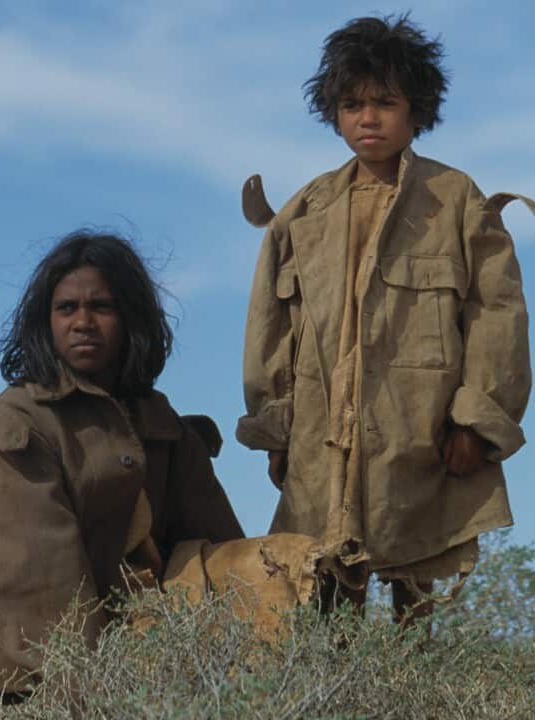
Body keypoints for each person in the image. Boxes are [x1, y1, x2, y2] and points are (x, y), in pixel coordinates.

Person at [238, 14, 532, 626]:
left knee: (417, 589)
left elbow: (496, 314)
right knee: (323, 593)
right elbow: (273, 328)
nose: (366, 117)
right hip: (322, 439)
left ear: (417, 110)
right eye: (351, 104)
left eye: (384, 102)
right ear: (333, 113)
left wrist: (475, 420)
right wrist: (277, 430)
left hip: (421, 434)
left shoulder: (455, 200)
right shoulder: (306, 210)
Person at [0, 230, 246, 715]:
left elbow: (222, 558)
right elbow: (35, 584)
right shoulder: (18, 425)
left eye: (101, 307)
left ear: (131, 318)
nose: (83, 322)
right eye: (66, 309)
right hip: (21, 686)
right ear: (46, 322)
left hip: (144, 675)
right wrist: (111, 694)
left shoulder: (166, 429)